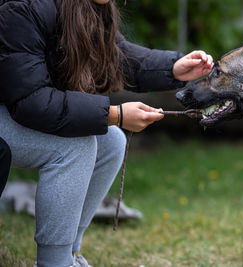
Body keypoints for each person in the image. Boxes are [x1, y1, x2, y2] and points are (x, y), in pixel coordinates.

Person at [0, 0, 213, 266]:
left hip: (19, 108)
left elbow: (116, 56)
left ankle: (70, 253)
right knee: (76, 147)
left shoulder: (90, 7)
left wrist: (172, 67)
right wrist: (115, 114)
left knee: (111, 142)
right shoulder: (24, 7)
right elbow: (32, 101)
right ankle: (54, 262)